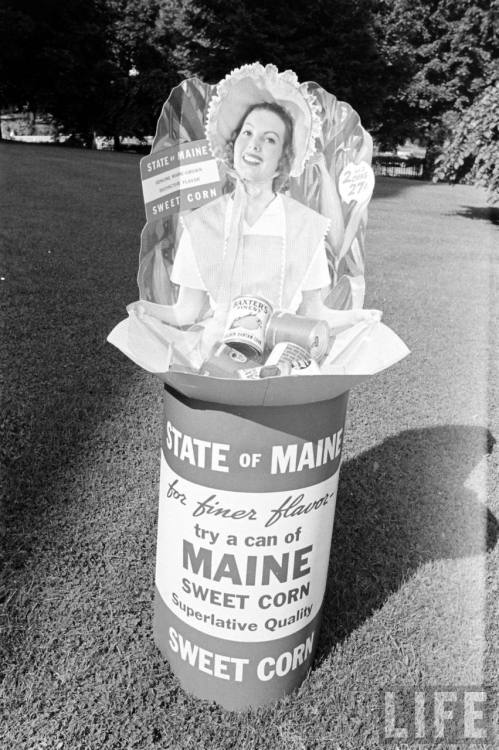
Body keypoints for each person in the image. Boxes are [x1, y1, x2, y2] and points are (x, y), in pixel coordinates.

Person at [136, 63, 378, 357]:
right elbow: (186, 311)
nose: (254, 145)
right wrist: (143, 310)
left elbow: (314, 311)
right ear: (233, 143)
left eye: (270, 139)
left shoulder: (305, 226)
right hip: (215, 361)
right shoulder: (202, 223)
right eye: (247, 133)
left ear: (283, 160)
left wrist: (358, 317)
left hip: (282, 359)